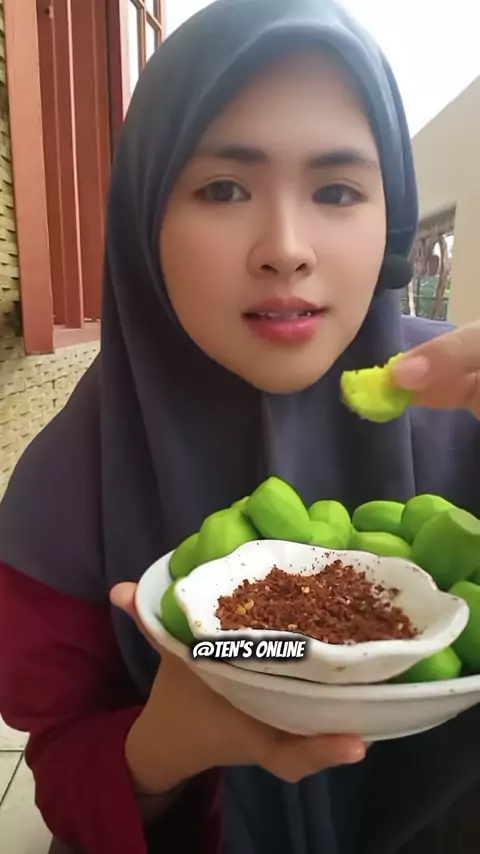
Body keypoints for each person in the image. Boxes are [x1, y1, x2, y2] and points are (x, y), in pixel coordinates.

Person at [1, 0, 480, 852]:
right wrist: (167, 740)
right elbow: (64, 771)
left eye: (337, 190)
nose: (286, 247)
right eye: (223, 188)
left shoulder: (464, 410)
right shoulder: (66, 485)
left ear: (393, 221)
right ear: (145, 218)